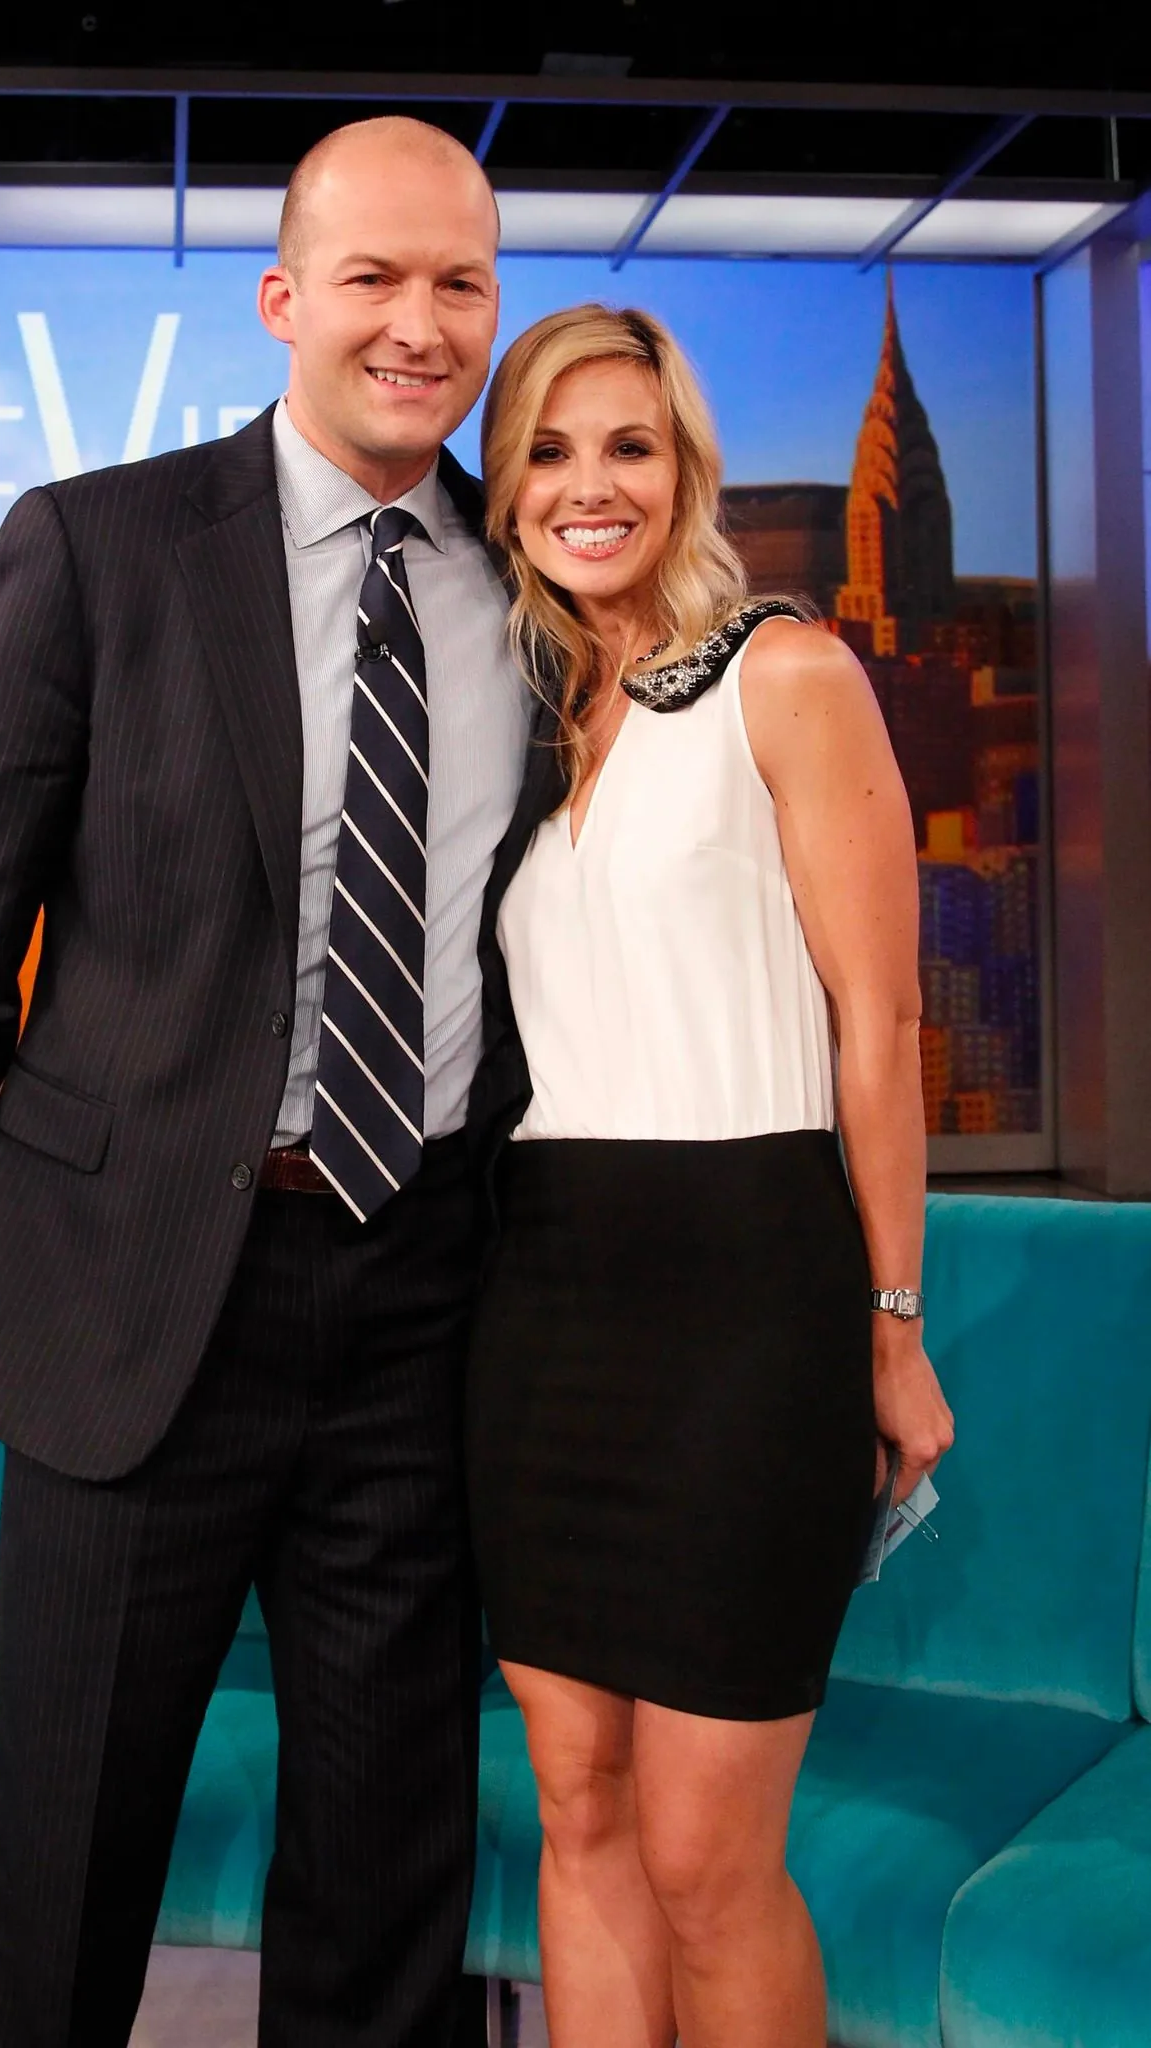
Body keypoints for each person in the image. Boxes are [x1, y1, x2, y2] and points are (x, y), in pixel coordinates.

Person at [0, 116, 532, 2048]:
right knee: (70, 1846)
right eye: (374, 278)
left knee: (388, 1848)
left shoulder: (533, 583)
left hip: (422, 1294)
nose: (418, 323)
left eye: (459, 282)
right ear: (283, 300)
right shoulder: (98, 544)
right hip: (133, 1281)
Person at [466, 304, 956, 2048]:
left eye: (628, 447)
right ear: (501, 483)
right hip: (541, 1305)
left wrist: (890, 1324)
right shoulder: (522, 721)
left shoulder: (790, 673)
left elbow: (879, 1032)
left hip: (751, 1294)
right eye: (544, 449)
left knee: (701, 1856)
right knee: (577, 1809)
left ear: (684, 472)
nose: (586, 487)